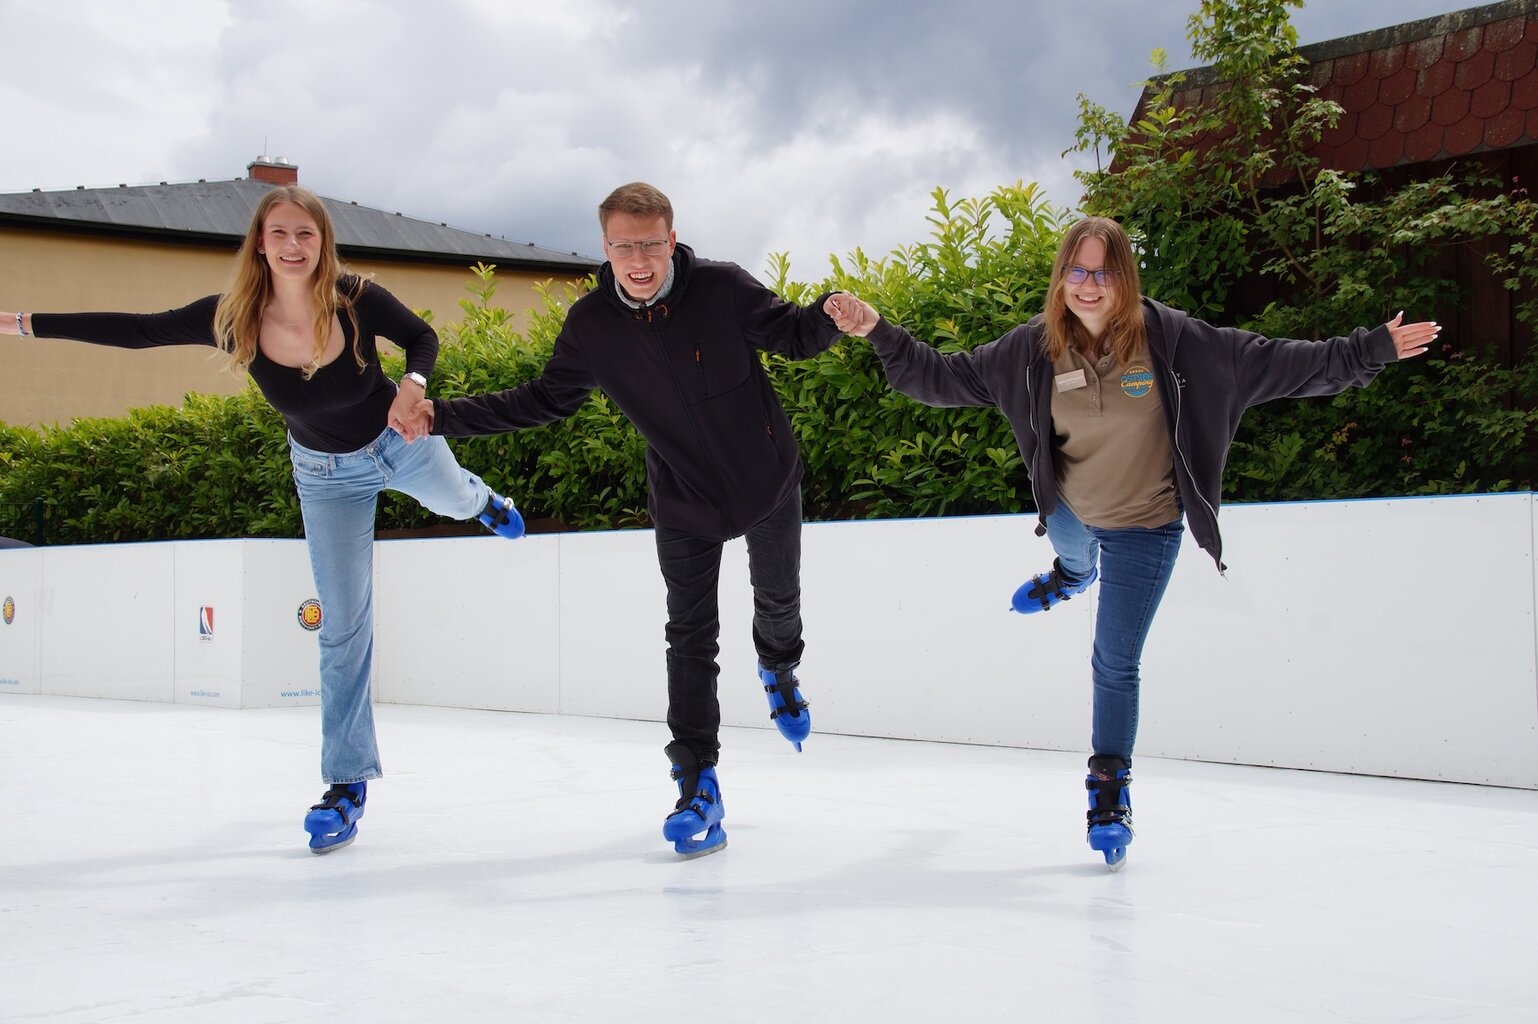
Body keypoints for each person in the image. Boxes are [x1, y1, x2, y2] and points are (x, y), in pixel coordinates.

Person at [825, 216, 1437, 870]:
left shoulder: (1177, 343)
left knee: (1114, 661)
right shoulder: (1032, 350)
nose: (1088, 285)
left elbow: (1282, 364)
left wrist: (1370, 349)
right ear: (1061, 278)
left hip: (1146, 526)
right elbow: (941, 377)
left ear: (1125, 277)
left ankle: (1109, 789)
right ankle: (1070, 575)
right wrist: (877, 330)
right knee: (1075, 557)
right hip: (1070, 511)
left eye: (1103, 271)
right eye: (1077, 271)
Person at [3, 185, 527, 854]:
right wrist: (22, 322)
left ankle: (485, 504)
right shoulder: (232, 317)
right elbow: (137, 330)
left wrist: (413, 384)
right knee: (342, 625)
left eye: (305, 233)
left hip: (401, 442)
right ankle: (346, 785)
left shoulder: (355, 297)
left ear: (322, 242)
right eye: (279, 232)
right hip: (327, 477)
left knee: (456, 499)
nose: (292, 245)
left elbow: (422, 337)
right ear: (259, 242)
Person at [398, 182, 849, 858]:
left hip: (767, 480)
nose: (638, 261)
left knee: (778, 601)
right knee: (689, 637)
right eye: (623, 247)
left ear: (671, 240)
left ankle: (779, 670)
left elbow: (793, 334)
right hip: (684, 502)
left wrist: (831, 312)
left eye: (650, 245)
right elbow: (543, 399)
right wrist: (442, 416)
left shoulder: (722, 288)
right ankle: (696, 783)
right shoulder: (592, 327)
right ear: (604, 248)